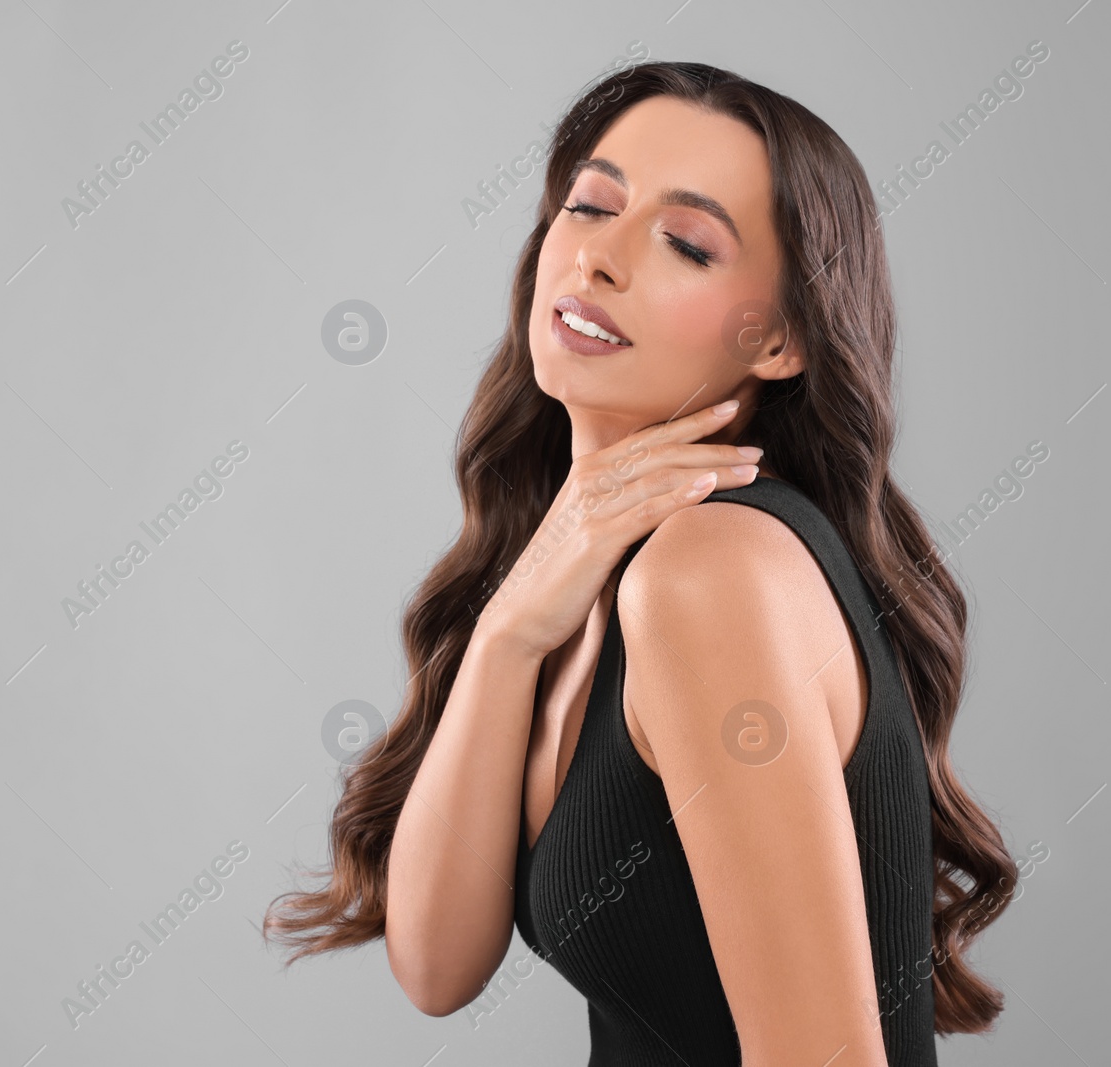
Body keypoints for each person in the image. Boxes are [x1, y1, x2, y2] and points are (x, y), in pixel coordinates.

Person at [264, 60, 1018, 1066]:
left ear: (782, 338)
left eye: (687, 243)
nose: (599, 258)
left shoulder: (710, 572)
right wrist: (509, 630)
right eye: (590, 204)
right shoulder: (589, 576)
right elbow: (437, 966)